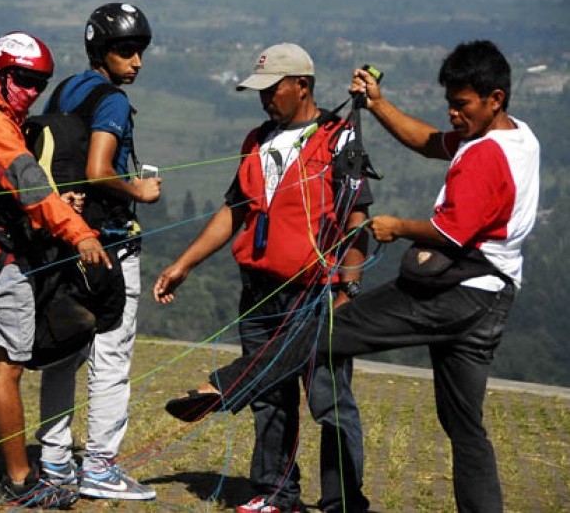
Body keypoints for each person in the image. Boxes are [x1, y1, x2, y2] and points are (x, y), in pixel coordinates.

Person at [164, 40, 539, 513]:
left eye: (461, 105)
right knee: (464, 427)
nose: (452, 115)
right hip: (493, 297)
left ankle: (228, 386)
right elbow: (427, 141)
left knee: (322, 335)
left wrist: (393, 232)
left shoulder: (485, 155)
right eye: (450, 103)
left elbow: (450, 232)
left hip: (455, 292)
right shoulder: (518, 137)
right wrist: (379, 104)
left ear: (495, 98)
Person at [154, 43, 372, 513]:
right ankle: (275, 494)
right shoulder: (255, 140)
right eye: (260, 91)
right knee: (269, 398)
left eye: (272, 90)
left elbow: (357, 222)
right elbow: (235, 211)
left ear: (303, 86)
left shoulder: (339, 140)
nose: (265, 99)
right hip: (258, 294)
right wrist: (184, 264)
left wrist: (348, 290)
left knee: (329, 401)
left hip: (314, 296)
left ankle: (344, 503)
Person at [0, 31, 112, 509]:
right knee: (6, 367)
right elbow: (30, 187)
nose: (33, 90)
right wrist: (79, 232)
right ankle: (20, 481)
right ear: (1, 75)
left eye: (41, 82)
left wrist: (56, 206)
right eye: (25, 79)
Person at [35, 3, 161, 501]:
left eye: (141, 52)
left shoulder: (66, 89)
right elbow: (97, 169)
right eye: (126, 51)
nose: (137, 62)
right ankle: (102, 466)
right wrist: (139, 190)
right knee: (111, 356)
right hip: (108, 244)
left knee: (63, 352)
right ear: (101, 51)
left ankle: (55, 461)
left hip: (65, 240)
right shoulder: (111, 101)